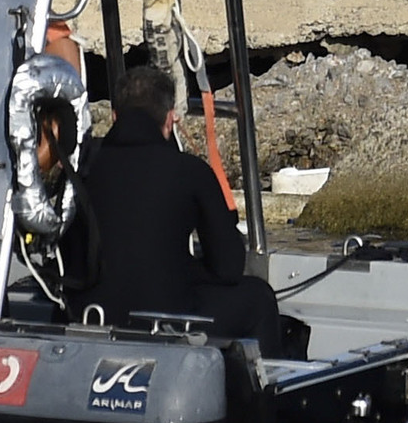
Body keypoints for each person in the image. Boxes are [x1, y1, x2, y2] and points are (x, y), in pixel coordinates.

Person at [68, 64, 282, 346]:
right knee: (259, 298)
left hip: (88, 316)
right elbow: (229, 267)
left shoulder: (80, 170)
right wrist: (188, 267)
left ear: (115, 116)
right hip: (165, 318)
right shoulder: (189, 171)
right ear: (170, 120)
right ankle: (254, 388)